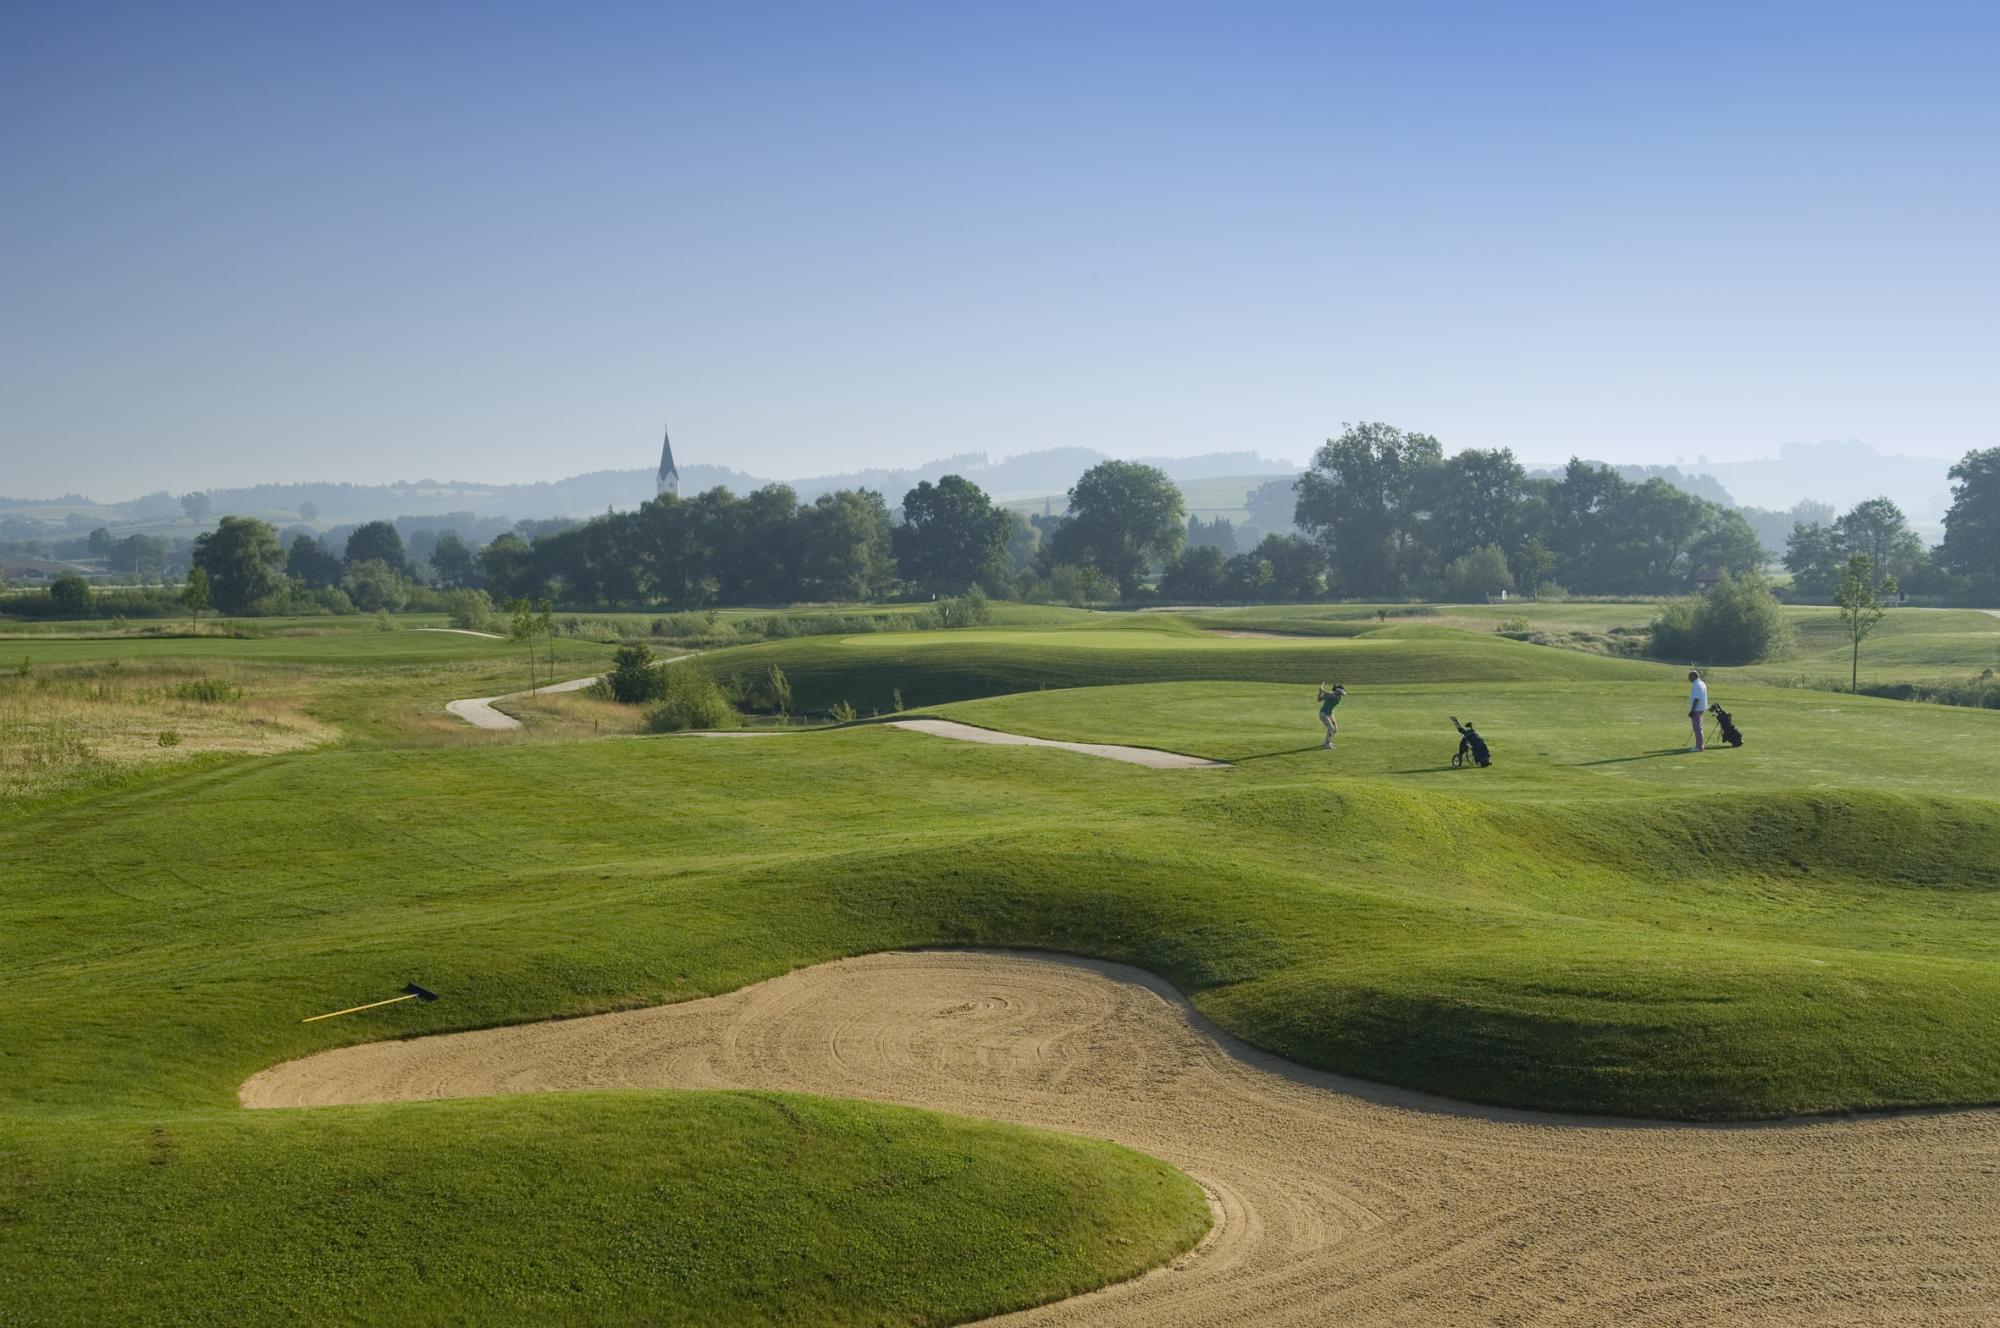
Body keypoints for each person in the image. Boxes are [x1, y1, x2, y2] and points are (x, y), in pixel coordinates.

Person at [1316, 683, 1345, 749]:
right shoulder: (1329, 694)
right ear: (1337, 691)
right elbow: (1318, 700)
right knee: (1331, 728)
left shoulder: (1336, 696)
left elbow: (1332, 695)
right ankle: (1327, 744)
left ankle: (1327, 741)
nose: (1342, 694)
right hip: (1323, 714)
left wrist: (1323, 691)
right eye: (1340, 692)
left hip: (1330, 714)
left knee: (1335, 730)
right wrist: (1320, 692)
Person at [1687, 669, 1708, 751]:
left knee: (1697, 728)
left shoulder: (1696, 686)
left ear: (1694, 676)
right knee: (1699, 727)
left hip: (1697, 709)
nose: (1688, 678)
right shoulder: (1702, 683)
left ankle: (1699, 746)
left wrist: (1692, 710)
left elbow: (1696, 699)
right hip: (1702, 708)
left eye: (1689, 676)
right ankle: (1700, 745)